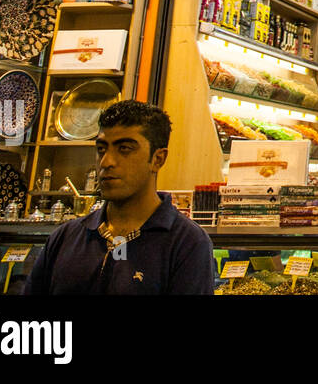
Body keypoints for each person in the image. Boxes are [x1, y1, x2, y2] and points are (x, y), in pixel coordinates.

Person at [24, 101, 215, 294]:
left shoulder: (187, 243)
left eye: (124, 149)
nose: (106, 162)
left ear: (158, 159)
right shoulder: (65, 238)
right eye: (101, 149)